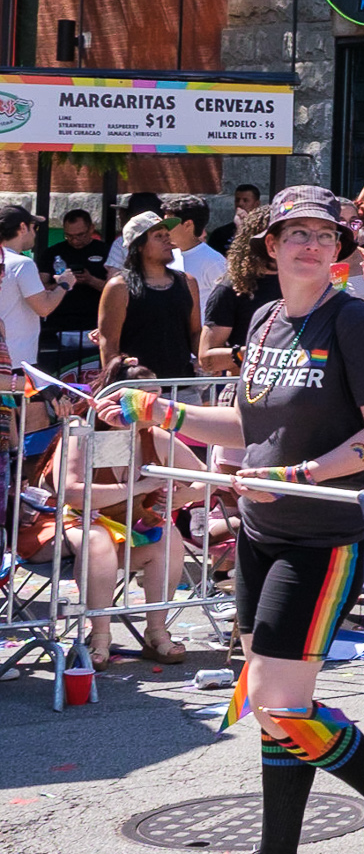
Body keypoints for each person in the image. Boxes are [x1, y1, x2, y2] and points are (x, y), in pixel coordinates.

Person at [96, 186, 364, 854]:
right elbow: (251, 425)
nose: (311, 245)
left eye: (325, 235)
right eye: (296, 233)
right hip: (261, 535)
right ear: (269, 245)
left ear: (339, 249)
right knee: (276, 703)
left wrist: (301, 475)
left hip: (323, 539)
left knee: (278, 703)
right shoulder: (268, 319)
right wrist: (161, 409)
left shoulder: (354, 323)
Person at [16, 357, 209, 667]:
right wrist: (139, 486)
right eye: (147, 400)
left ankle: (156, 633)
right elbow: (73, 494)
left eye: (158, 397)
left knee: (167, 536)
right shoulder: (83, 430)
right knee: (97, 538)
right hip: (55, 526)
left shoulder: (153, 435)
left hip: (119, 530)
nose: (155, 407)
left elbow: (205, 477)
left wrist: (185, 494)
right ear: (120, 401)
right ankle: (100, 637)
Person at [97, 212, 200, 381]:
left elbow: (196, 332)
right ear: (139, 246)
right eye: (158, 236)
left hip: (183, 386)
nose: (168, 241)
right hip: (137, 388)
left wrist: (207, 359)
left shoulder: (188, 282)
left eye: (167, 235)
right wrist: (117, 386)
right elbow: (109, 344)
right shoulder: (119, 287)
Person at [200, 208, 283, 375]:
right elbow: (207, 359)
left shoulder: (305, 283)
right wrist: (256, 354)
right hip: (246, 385)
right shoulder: (232, 287)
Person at [36, 208, 107, 379]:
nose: (75, 240)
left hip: (95, 325)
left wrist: (90, 280)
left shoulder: (106, 251)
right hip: (59, 325)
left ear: (91, 228)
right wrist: (63, 283)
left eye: (80, 235)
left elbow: (118, 288)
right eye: (69, 236)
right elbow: (41, 287)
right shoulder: (53, 253)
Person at [0, 205, 70, 376]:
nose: (35, 233)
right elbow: (43, 307)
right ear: (23, 227)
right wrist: (64, 284)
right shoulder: (22, 264)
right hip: (17, 358)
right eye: (34, 227)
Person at [165, 195, 229, 309]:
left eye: (169, 224)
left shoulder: (213, 261)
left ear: (188, 225)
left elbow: (226, 302)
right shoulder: (168, 256)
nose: (165, 229)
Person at [209, 182, 263, 253]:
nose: (240, 204)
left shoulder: (262, 232)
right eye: (237, 200)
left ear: (257, 204)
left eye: (245, 200)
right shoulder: (220, 234)